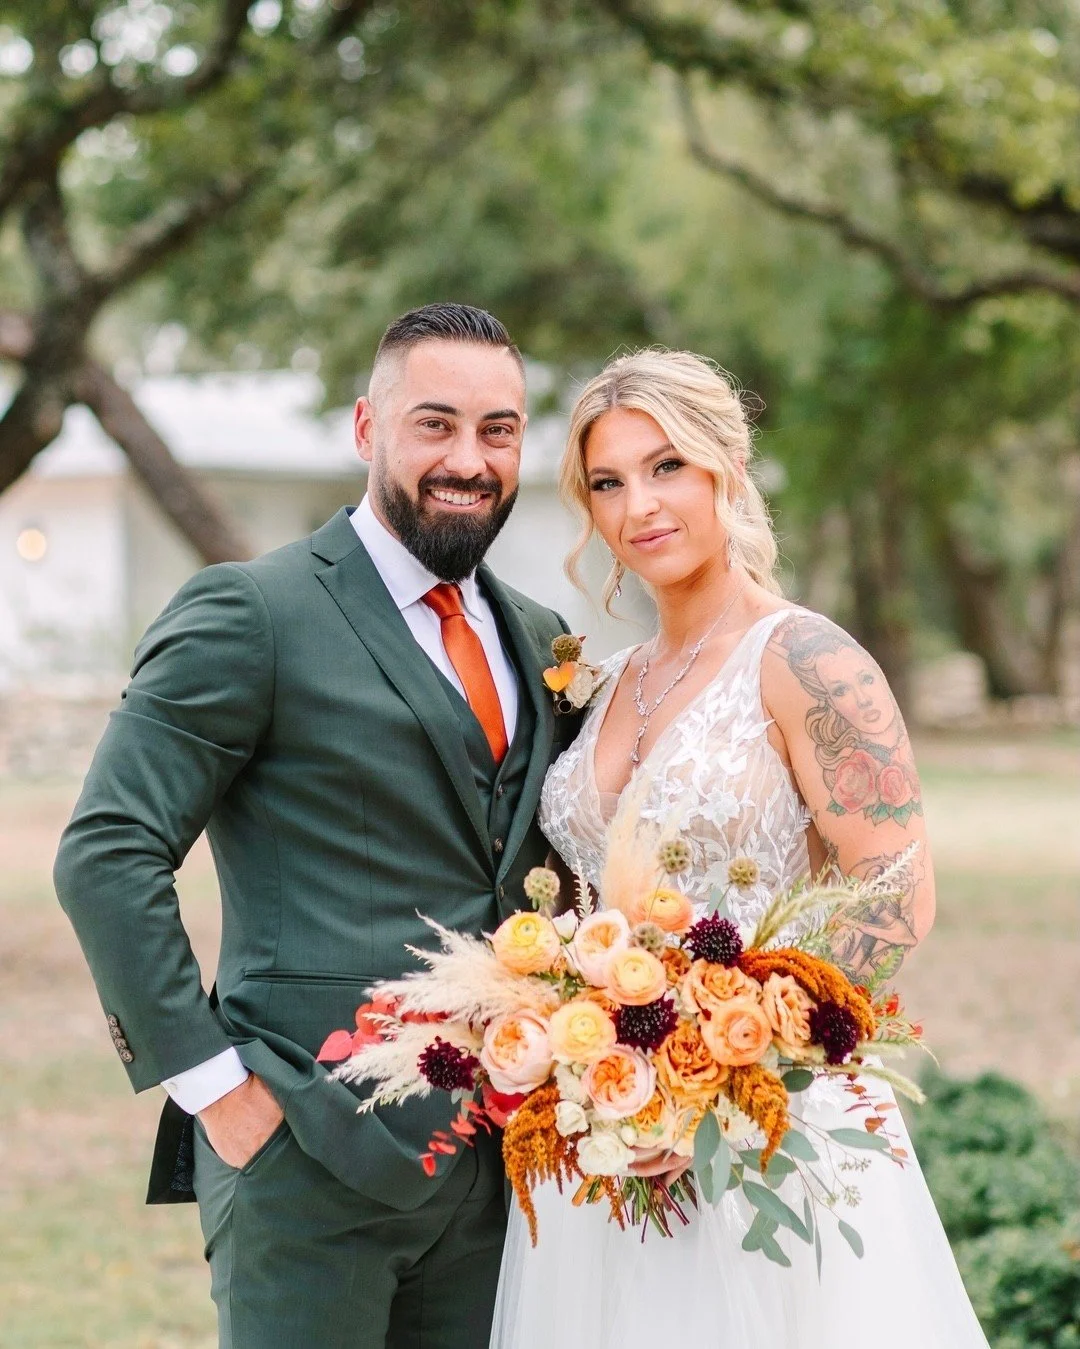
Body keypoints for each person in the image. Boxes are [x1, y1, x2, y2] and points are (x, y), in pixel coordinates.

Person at [54, 303, 579, 1348]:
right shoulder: (251, 613)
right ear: (365, 428)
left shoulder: (541, 635)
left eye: (499, 430)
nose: (468, 459)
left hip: (497, 1168)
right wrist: (216, 1089)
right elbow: (107, 851)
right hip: (304, 1154)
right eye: (434, 424)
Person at [490, 348, 990, 1348]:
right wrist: (605, 1072)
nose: (641, 504)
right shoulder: (608, 680)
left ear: (726, 460)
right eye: (609, 480)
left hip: (774, 1124)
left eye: (666, 464)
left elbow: (896, 895)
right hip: (613, 1128)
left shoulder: (808, 659)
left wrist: (722, 1075)